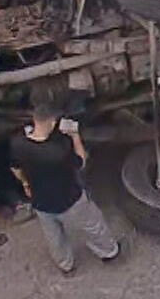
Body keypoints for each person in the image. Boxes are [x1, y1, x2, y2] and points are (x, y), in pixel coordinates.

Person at [9, 82, 120, 274]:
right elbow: (80, 162)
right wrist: (75, 136)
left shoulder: (18, 145)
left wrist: (26, 183)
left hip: (41, 203)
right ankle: (108, 252)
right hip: (70, 200)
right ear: (52, 122)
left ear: (34, 121)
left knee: (55, 238)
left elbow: (15, 168)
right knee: (93, 225)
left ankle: (66, 265)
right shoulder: (59, 150)